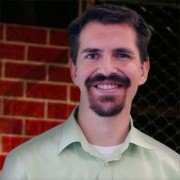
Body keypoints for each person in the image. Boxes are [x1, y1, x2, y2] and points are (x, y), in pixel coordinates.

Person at [1, 4, 179, 180]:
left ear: (143, 70)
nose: (107, 69)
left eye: (122, 55)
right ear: (74, 71)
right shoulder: (25, 166)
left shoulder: (172, 170)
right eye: (92, 55)